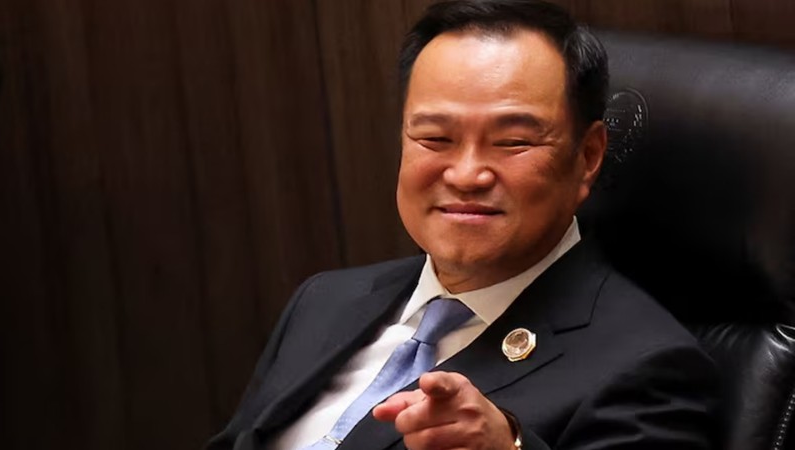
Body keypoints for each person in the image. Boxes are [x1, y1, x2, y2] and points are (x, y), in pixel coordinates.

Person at [208, 1, 718, 449]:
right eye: (435, 138)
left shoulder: (646, 367)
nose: (467, 175)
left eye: (512, 142)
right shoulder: (325, 300)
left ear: (587, 156)